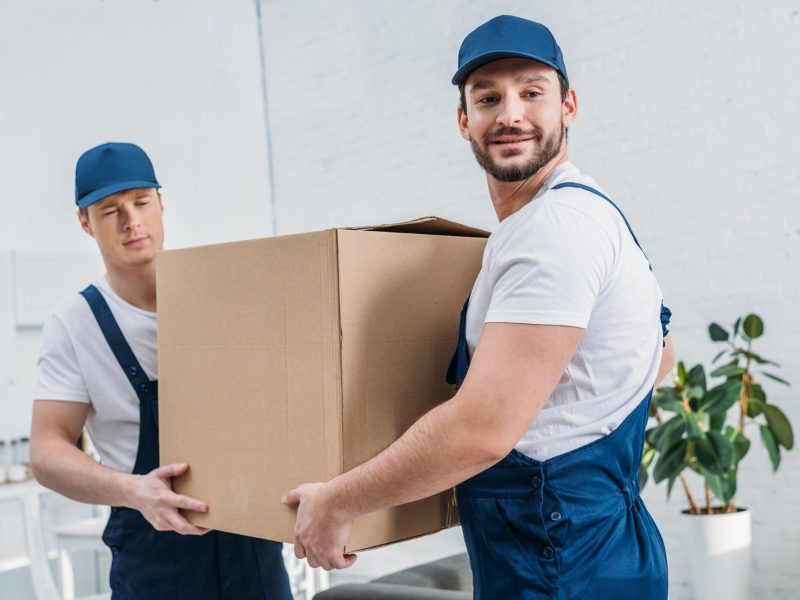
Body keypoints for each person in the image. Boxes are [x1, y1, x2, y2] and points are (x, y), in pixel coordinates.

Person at [283, 15, 674, 599]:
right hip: (597, 545)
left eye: (531, 92)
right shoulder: (589, 213)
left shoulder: (553, 229)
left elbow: (482, 431)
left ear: (568, 106)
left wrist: (337, 501)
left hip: (560, 562)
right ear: (464, 121)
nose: (510, 113)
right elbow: (660, 358)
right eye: (488, 97)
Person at [30, 142, 292, 599]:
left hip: (253, 556)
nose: (131, 221)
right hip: (153, 562)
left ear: (162, 203)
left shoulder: (227, 296)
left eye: (142, 202)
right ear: (84, 223)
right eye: (110, 210)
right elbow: (46, 450)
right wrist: (134, 491)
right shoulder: (74, 323)